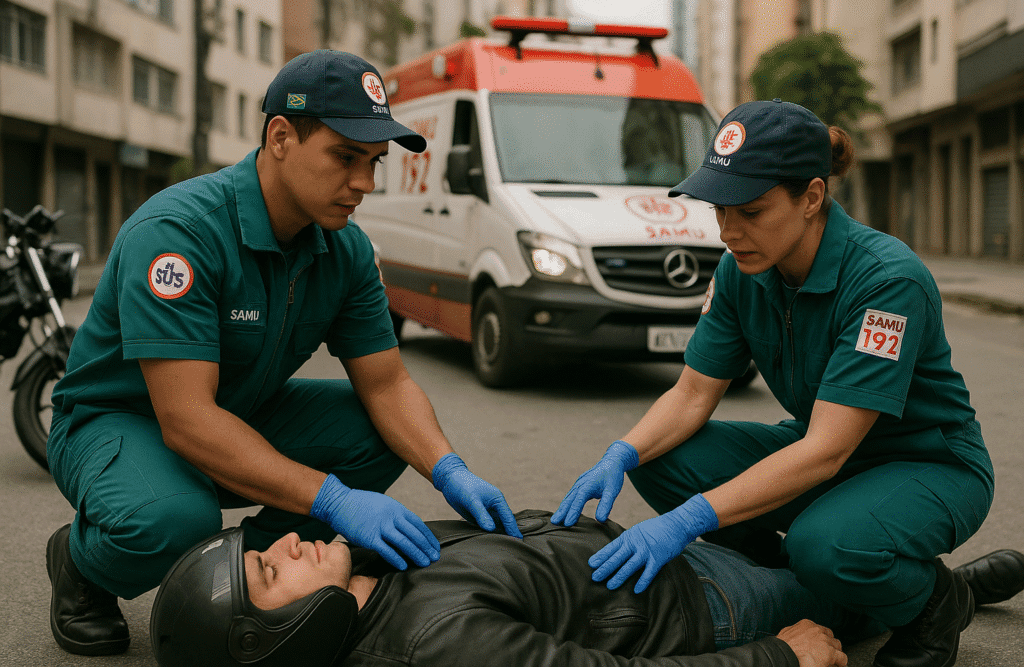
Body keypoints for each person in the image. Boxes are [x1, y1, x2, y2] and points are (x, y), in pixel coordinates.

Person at [44, 49, 521, 657]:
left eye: (374, 162)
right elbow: (186, 419)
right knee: (170, 521)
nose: (364, 184)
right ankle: (83, 566)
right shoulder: (181, 234)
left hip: (235, 410)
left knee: (375, 433)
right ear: (280, 137)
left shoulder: (343, 249)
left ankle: (262, 569)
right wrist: (332, 499)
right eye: (345, 157)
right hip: (119, 423)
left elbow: (387, 385)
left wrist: (451, 471)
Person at [551, 99, 998, 667]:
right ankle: (808, 585)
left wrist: (689, 521)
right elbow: (691, 394)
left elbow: (826, 450)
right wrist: (620, 453)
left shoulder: (886, 281)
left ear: (811, 198)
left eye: (751, 211)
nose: (729, 230)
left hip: (925, 463)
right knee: (662, 460)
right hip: (823, 449)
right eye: (719, 209)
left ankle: (938, 601)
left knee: (827, 545)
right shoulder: (742, 269)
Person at [149, 511, 1024, 667]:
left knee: (809, 539)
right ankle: (951, 594)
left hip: (648, 554)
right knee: (838, 586)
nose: (289, 542)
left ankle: (934, 589)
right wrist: (774, 655)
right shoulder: (433, 645)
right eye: (272, 570)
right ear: (280, 635)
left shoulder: (371, 573)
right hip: (701, 607)